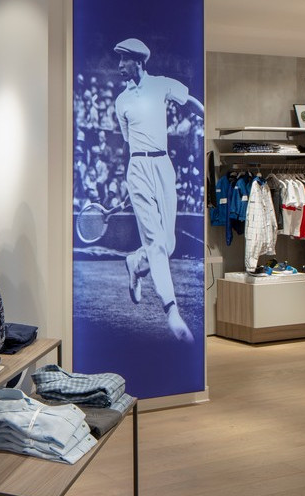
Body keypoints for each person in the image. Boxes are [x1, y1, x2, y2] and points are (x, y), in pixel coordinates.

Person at [114, 38, 203, 344]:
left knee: (169, 244)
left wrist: (209, 117)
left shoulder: (162, 84)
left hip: (164, 167)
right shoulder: (121, 101)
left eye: (124, 60)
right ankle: (172, 311)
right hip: (138, 167)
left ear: (138, 61)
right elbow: (129, 143)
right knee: (156, 243)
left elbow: (189, 102)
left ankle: (135, 264)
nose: (119, 66)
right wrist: (135, 178)